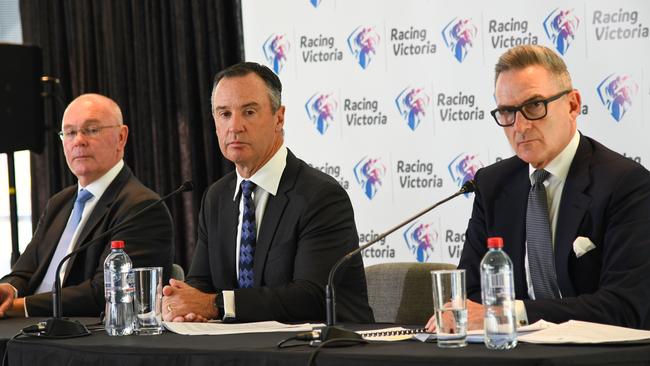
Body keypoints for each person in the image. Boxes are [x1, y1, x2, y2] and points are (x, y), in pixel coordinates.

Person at [426, 45, 650, 331]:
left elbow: (624, 306)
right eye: (507, 112)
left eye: (533, 106)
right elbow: (469, 295)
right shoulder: (492, 184)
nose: (519, 126)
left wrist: (509, 314)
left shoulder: (625, 184)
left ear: (572, 105)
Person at [162, 62, 373, 323]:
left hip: (317, 350)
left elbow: (312, 296)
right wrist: (184, 302)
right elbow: (202, 283)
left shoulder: (320, 196)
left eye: (248, 112)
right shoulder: (216, 197)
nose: (235, 126)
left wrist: (215, 305)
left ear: (279, 117)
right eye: (224, 114)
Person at [0, 94, 174, 318]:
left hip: (81, 335)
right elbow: (25, 271)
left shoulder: (142, 207)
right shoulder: (59, 202)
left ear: (121, 137)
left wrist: (17, 307)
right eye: (70, 133)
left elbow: (103, 294)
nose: (78, 140)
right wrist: (8, 289)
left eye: (91, 130)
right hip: (29, 329)